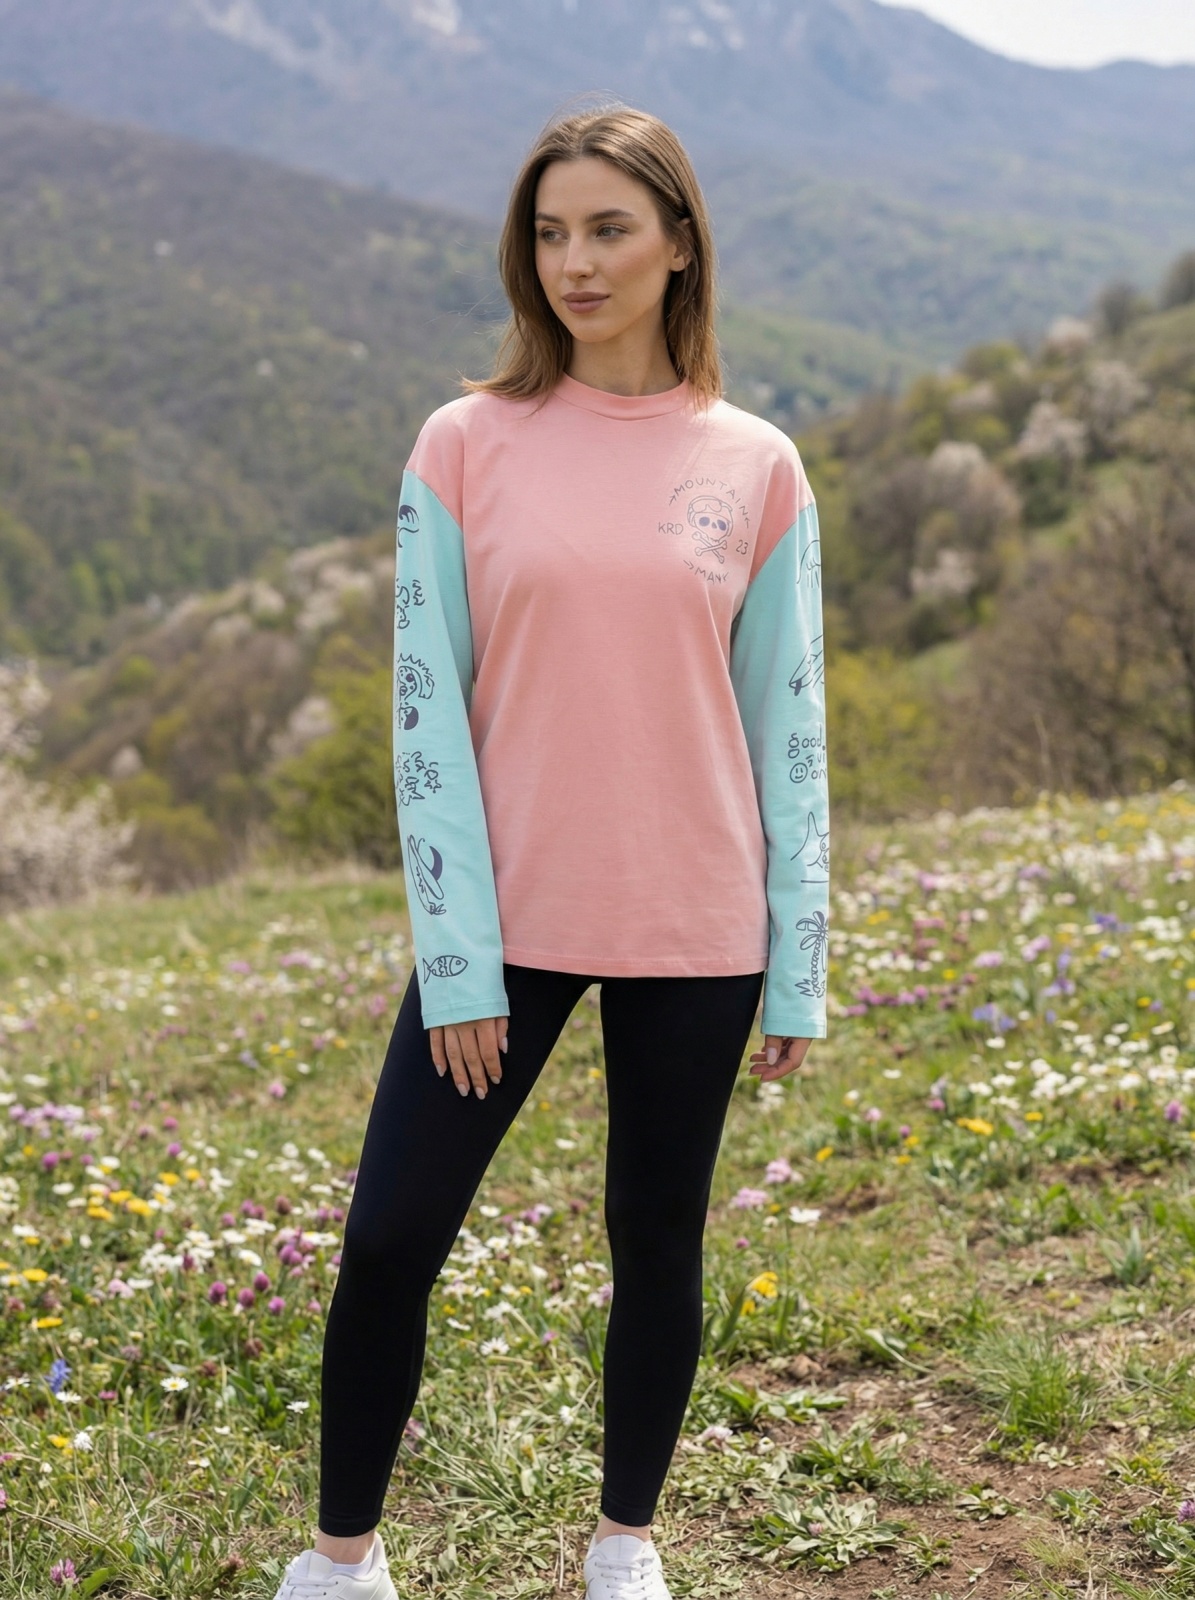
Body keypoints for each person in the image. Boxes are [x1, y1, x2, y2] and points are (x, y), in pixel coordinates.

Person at [273, 104, 829, 1600]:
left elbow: (787, 726)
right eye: (549, 232)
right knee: (391, 1236)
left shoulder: (759, 465)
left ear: (679, 245)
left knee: (657, 1239)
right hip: (505, 924)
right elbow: (424, 714)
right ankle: (340, 1564)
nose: (574, 262)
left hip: (697, 925)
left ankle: (624, 1546)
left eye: (608, 229)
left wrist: (797, 962)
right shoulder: (465, 445)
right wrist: (456, 960)